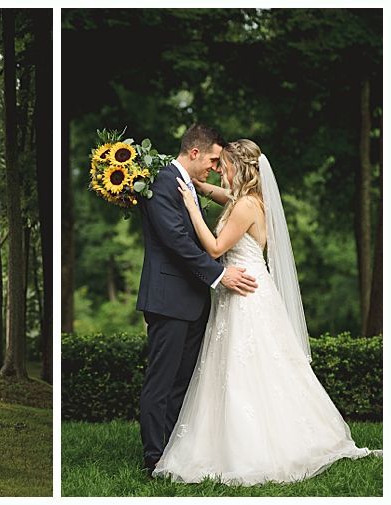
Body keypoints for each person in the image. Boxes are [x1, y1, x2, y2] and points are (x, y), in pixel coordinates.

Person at [152, 139, 382, 485]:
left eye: (225, 164)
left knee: (248, 367)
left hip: (246, 293)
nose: (220, 170)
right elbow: (223, 196)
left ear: (239, 167)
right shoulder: (247, 200)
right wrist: (199, 186)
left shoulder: (245, 205)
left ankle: (259, 445)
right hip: (244, 289)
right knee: (254, 365)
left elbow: (214, 248)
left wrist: (192, 206)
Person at [135, 124, 260, 477]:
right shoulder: (162, 182)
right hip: (168, 299)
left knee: (183, 381)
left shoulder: (187, 184)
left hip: (192, 299)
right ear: (194, 153)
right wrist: (220, 274)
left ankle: (174, 448)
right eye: (213, 160)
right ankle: (154, 457)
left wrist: (204, 190)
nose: (215, 168)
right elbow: (176, 239)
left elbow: (226, 201)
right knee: (162, 380)